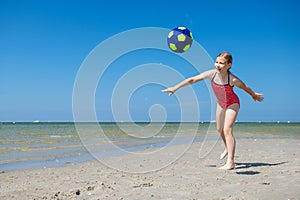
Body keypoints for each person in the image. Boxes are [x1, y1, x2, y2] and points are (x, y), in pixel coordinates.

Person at [162, 52, 264, 170]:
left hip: (232, 103)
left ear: (229, 65)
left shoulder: (232, 79)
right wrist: (175, 88)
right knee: (219, 129)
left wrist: (253, 95)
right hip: (221, 104)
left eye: (222, 63)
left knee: (227, 130)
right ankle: (227, 147)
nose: (218, 65)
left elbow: (245, 87)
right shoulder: (212, 74)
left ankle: (230, 162)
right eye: (217, 62)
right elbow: (193, 79)